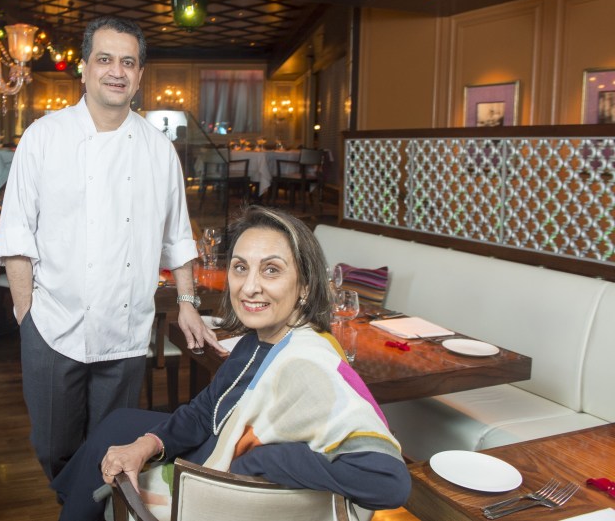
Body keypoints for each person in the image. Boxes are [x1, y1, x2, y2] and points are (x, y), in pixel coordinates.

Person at [52, 206, 411, 521]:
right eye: (241, 268)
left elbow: (388, 482)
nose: (249, 287)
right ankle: (77, 500)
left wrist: (257, 459)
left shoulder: (305, 363)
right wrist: (147, 445)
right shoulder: (258, 340)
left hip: (227, 476)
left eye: (271, 270)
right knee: (120, 424)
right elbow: (205, 411)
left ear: (304, 285)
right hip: (221, 436)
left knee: (108, 443)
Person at [0, 16, 223, 482]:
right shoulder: (43, 137)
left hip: (125, 332)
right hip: (53, 328)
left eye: (128, 62)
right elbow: (16, 235)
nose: (116, 71)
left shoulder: (158, 151)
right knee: (53, 448)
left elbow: (177, 235)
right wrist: (27, 316)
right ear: (83, 68)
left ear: (139, 76)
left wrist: (187, 303)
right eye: (105, 59)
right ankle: (73, 504)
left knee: (112, 453)